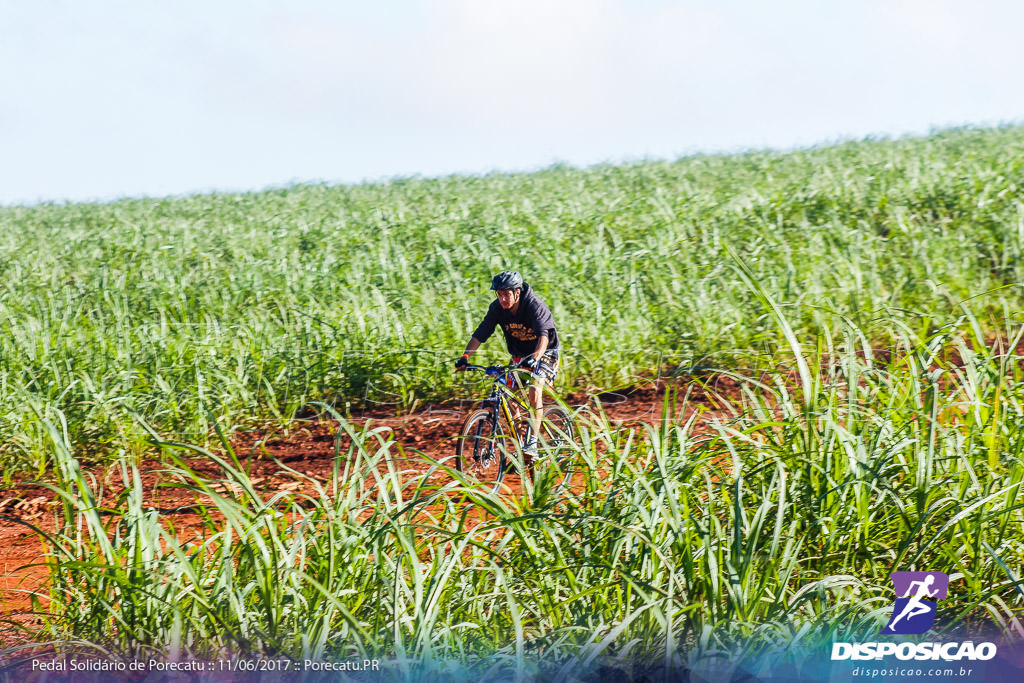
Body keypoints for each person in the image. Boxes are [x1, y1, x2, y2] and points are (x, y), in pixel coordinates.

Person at [455, 270, 560, 458]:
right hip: (520, 356)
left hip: (545, 354)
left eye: (506, 294)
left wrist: (535, 357)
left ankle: (533, 443)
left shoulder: (534, 306)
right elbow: (480, 334)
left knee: (534, 389)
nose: (502, 298)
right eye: (499, 294)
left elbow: (544, 336)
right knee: (509, 399)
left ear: (517, 293)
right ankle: (523, 447)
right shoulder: (497, 309)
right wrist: (465, 357)